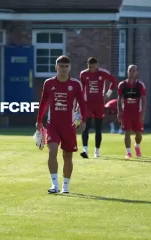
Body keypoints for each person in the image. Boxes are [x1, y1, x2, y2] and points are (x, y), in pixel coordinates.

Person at [36, 55, 87, 194]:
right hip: (53, 125)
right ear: (56, 67)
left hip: (69, 126)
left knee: (67, 156)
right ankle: (54, 185)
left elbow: (82, 103)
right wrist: (39, 121)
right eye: (61, 66)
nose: (63, 69)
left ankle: (65, 186)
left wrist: (83, 120)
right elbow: (43, 102)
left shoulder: (75, 84)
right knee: (52, 151)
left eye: (66, 66)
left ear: (69, 68)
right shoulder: (49, 83)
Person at [79, 57, 117, 158]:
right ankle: (85, 150)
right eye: (90, 67)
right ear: (87, 65)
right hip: (88, 104)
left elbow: (113, 81)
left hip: (99, 104)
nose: (92, 69)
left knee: (98, 128)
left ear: (97, 65)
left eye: (94, 67)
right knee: (85, 127)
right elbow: (82, 89)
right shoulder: (83, 74)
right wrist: (80, 102)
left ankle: (97, 152)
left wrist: (108, 94)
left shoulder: (103, 73)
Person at [117, 65, 146, 158]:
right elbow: (119, 99)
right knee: (127, 133)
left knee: (138, 135)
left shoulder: (140, 85)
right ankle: (128, 152)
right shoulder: (122, 85)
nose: (132, 72)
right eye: (130, 70)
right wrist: (119, 112)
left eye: (134, 70)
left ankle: (137, 146)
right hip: (126, 113)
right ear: (127, 72)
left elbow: (144, 100)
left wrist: (143, 113)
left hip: (137, 112)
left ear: (137, 72)